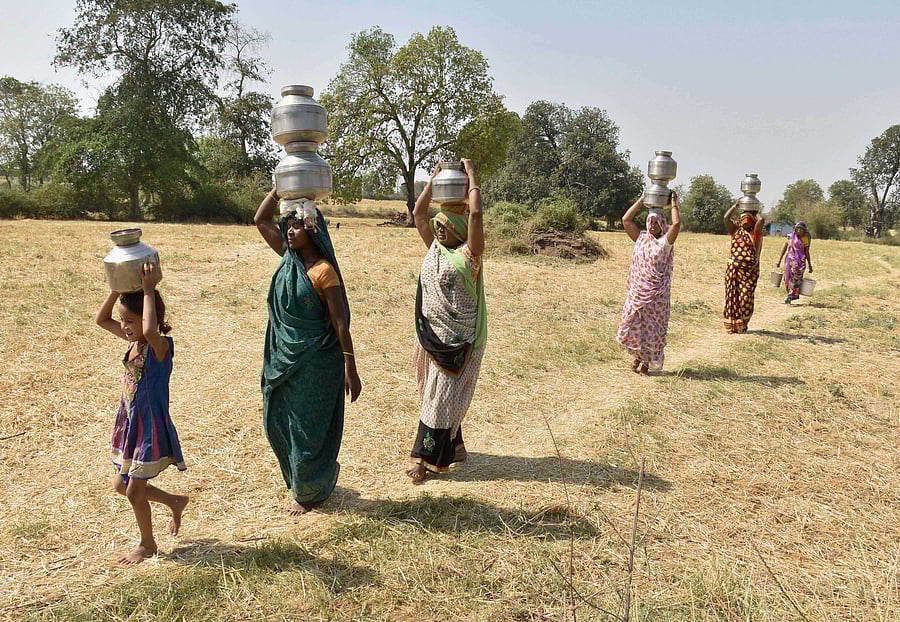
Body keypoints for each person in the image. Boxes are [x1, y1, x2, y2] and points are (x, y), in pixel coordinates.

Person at [254, 191, 362, 514]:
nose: (289, 231)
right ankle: (301, 480)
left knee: (308, 428)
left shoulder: (322, 272)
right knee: (277, 421)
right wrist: (278, 191)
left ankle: (309, 492)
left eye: (297, 225)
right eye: (288, 225)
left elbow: (341, 324)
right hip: (283, 360)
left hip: (316, 364)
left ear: (313, 229)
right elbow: (260, 220)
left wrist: (351, 369)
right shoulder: (290, 259)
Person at [94, 263, 188, 564]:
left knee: (134, 491)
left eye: (130, 321)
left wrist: (149, 289)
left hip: (150, 427)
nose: (124, 327)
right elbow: (101, 319)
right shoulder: (133, 341)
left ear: (150, 318)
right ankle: (175, 501)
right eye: (123, 321)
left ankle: (148, 544)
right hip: (131, 423)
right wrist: (117, 289)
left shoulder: (159, 347)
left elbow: (148, 328)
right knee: (121, 485)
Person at [407, 159, 487, 481]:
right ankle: (455, 444)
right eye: (437, 226)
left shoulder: (470, 256)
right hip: (431, 337)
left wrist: (471, 177)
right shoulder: (436, 249)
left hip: (458, 341)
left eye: (445, 226)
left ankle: (425, 461)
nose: (438, 230)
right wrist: (434, 180)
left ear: (459, 227)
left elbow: (477, 214)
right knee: (433, 392)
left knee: (438, 397)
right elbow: (418, 215)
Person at [616, 191, 681, 374]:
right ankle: (638, 357)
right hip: (638, 294)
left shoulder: (664, 243)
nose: (652, 226)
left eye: (656, 222)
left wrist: (674, 203)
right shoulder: (642, 239)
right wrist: (641, 200)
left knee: (652, 332)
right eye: (650, 222)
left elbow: (676, 224)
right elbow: (626, 220)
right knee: (636, 327)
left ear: (662, 224)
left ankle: (646, 364)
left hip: (656, 297)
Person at [723, 204, 764, 333]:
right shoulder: (735, 231)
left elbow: (761, 221)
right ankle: (733, 325)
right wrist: (736, 206)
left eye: (748, 219)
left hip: (748, 272)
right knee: (732, 298)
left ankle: (743, 323)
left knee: (745, 297)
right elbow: (725, 218)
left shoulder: (755, 234)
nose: (745, 222)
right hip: (733, 271)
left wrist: (753, 210)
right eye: (743, 219)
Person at [776, 221, 813, 304]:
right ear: (795, 229)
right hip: (789, 260)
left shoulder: (805, 239)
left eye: (801, 229)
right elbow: (785, 248)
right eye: (798, 229)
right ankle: (790, 294)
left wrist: (810, 265)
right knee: (787, 278)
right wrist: (779, 260)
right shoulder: (790, 237)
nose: (799, 231)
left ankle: (790, 296)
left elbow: (807, 252)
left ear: (804, 230)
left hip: (800, 263)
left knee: (795, 280)